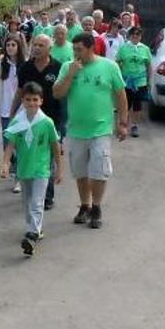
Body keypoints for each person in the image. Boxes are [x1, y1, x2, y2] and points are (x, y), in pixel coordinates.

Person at [53, 34, 129, 230]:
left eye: (79, 49)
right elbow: (57, 93)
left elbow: (120, 95)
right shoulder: (68, 67)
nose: (75, 53)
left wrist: (122, 122)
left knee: (99, 171)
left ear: (91, 48)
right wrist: (71, 74)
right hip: (76, 130)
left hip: (101, 129)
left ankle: (96, 207)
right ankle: (84, 205)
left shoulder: (109, 67)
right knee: (81, 172)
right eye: (74, 50)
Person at [1, 82, 62, 256]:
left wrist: (59, 168)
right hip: (24, 168)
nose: (32, 103)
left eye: (35, 100)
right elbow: (11, 143)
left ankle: (32, 235)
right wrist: (5, 163)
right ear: (23, 101)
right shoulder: (17, 121)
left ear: (41, 101)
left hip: (41, 169)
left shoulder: (46, 122)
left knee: (37, 202)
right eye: (28, 100)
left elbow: (55, 146)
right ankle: (34, 229)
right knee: (27, 202)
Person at [13, 34, 63, 210]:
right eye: (34, 44)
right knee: (32, 154)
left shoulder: (57, 67)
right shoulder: (25, 68)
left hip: (52, 119)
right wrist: (13, 114)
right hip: (29, 120)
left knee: (47, 157)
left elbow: (64, 94)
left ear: (49, 48)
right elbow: (19, 92)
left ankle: (46, 196)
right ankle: (32, 189)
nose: (36, 48)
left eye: (41, 45)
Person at [0, 35, 25, 193]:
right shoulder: (2, 62)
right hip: (5, 109)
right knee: (7, 143)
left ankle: (19, 176)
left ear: (19, 47)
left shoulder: (24, 64)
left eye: (13, 45)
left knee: (20, 144)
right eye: (8, 45)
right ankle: (14, 166)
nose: (10, 47)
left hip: (22, 109)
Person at [117, 27, 152, 138]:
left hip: (140, 82)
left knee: (137, 105)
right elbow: (117, 62)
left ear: (140, 36)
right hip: (127, 82)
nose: (135, 36)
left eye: (138, 35)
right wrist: (119, 78)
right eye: (133, 34)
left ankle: (135, 126)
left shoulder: (145, 49)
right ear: (130, 36)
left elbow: (149, 65)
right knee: (125, 104)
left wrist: (149, 80)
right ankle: (123, 125)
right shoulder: (123, 48)